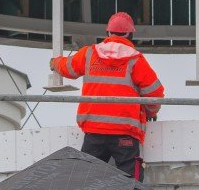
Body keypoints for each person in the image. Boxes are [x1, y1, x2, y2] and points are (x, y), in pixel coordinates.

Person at [51, 11, 165, 181]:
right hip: (125, 134)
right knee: (132, 184)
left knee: (86, 180)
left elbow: (68, 67)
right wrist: (150, 112)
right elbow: (154, 94)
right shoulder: (135, 60)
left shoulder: (89, 54)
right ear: (130, 34)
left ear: (108, 32)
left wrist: (54, 63)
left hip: (94, 132)